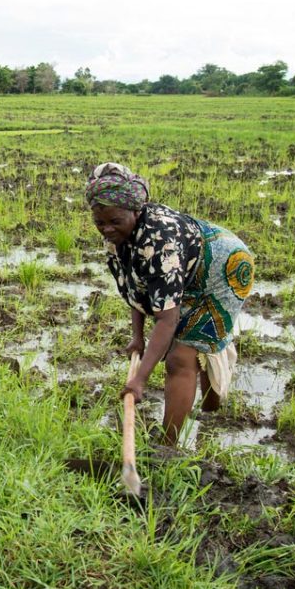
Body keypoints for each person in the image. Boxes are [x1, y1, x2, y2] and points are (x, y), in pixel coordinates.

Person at [86, 162, 255, 445]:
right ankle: (209, 410)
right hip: (189, 269)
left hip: (224, 270)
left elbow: (167, 319)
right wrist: (137, 337)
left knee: (180, 357)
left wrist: (140, 379)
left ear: (135, 211)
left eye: (115, 221)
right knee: (185, 347)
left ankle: (169, 445)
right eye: (99, 223)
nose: (106, 229)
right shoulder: (117, 237)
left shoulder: (160, 241)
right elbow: (136, 286)